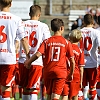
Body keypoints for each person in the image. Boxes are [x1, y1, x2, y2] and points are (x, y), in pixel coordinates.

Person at [24, 18, 75, 100]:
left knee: (49, 95)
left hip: (48, 71)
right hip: (60, 72)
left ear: (51, 29)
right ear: (62, 28)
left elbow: (38, 54)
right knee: (55, 96)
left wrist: (28, 62)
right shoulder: (66, 42)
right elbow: (72, 61)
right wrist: (71, 73)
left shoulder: (46, 41)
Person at [18, 5, 51, 100]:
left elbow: (18, 41)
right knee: (33, 88)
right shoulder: (43, 26)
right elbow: (47, 43)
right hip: (36, 61)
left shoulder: (22, 24)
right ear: (39, 15)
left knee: (25, 88)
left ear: (29, 14)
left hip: (23, 60)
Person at [0, 0, 30, 100]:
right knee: (6, 88)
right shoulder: (16, 19)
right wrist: (28, 57)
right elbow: (23, 40)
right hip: (8, 58)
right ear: (11, 4)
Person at [80, 14, 100, 100]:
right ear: (93, 22)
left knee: (81, 87)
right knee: (93, 87)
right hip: (93, 63)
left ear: (83, 22)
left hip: (81, 64)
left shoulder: (79, 31)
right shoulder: (96, 32)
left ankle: (83, 97)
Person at [61, 29, 85, 100]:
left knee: (65, 95)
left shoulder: (65, 48)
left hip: (65, 73)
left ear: (70, 38)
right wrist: (81, 81)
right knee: (75, 95)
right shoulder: (80, 51)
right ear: (80, 39)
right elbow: (81, 68)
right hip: (76, 75)